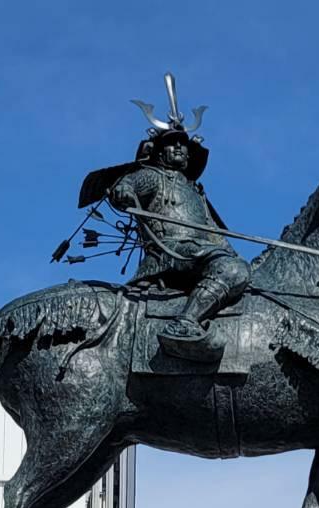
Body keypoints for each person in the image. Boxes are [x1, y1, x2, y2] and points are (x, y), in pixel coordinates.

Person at [77, 78, 250, 362]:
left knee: (238, 270)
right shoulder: (152, 176)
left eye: (183, 145)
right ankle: (184, 324)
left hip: (199, 252)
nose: (179, 149)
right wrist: (123, 191)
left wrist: (238, 262)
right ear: (159, 151)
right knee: (232, 271)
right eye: (172, 145)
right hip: (168, 252)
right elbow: (127, 186)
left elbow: (216, 237)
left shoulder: (195, 191)